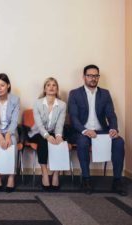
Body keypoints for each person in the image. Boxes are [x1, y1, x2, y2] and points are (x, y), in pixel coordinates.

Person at [68, 64, 127, 196]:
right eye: (90, 75)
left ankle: (117, 180)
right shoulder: (75, 93)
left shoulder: (105, 94)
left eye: (96, 76)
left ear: (98, 77)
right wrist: (85, 130)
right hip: (82, 131)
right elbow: (73, 117)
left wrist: (113, 128)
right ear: (84, 77)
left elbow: (111, 115)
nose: (93, 78)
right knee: (82, 142)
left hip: (101, 131)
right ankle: (86, 179)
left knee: (119, 142)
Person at [28, 77, 66, 191]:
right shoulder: (37, 104)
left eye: (54, 85)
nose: (51, 87)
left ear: (57, 89)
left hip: (55, 131)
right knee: (43, 141)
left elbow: (60, 124)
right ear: (44, 89)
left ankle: (55, 173)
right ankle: (44, 173)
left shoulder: (62, 105)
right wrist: (47, 136)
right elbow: (39, 125)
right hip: (38, 132)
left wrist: (58, 136)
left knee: (60, 142)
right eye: (48, 85)